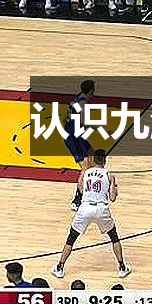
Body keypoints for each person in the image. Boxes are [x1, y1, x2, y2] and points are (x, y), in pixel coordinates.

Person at [52, 149, 132, 279]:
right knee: (114, 237)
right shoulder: (109, 175)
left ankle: (59, 267)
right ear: (105, 161)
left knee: (71, 238)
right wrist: (114, 186)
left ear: (93, 160)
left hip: (85, 207)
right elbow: (112, 198)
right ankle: (122, 267)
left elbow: (80, 188)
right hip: (101, 209)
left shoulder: (86, 172)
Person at [65, 80, 96, 210]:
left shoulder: (77, 98)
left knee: (92, 154)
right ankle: (77, 199)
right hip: (74, 138)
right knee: (85, 169)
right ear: (92, 91)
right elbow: (85, 123)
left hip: (76, 135)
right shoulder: (83, 104)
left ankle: (90, 188)